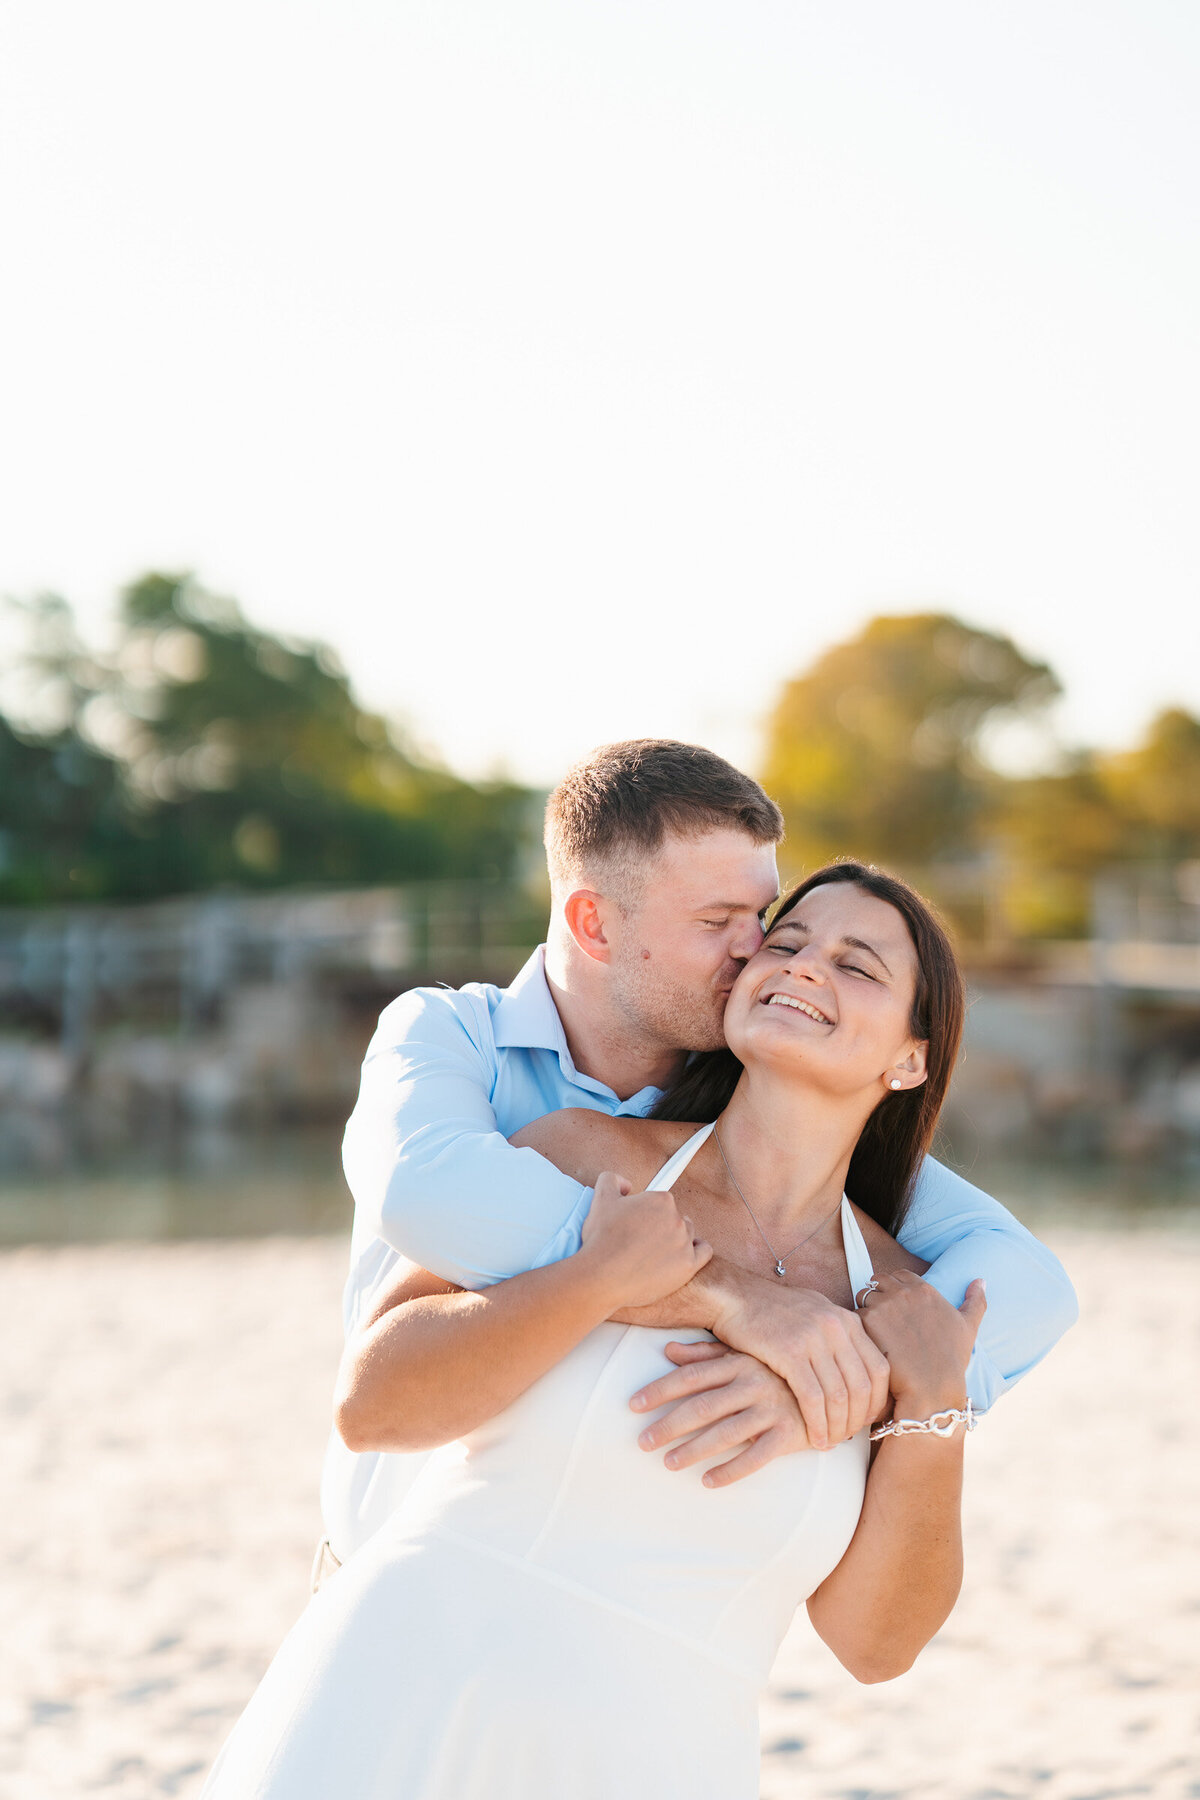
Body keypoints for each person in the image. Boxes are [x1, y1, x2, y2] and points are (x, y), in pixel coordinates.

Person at [200, 857, 1028, 1799]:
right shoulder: (584, 1160)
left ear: (911, 1057)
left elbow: (878, 1646)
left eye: (857, 966)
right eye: (787, 941)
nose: (803, 966)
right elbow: (373, 1405)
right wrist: (600, 1281)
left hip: (663, 1760)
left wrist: (931, 1406)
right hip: (409, 1696)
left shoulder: (904, 1309)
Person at [319, 740, 1076, 1571]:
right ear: (594, 923)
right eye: (718, 923)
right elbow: (428, 1194)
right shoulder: (452, 1037)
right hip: (394, 1562)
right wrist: (728, 1295)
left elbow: (1026, 1285)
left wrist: (835, 1378)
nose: (757, 951)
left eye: (762, 916)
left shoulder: (766, 1104)